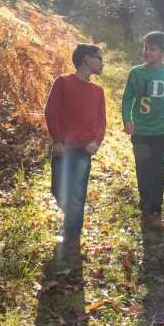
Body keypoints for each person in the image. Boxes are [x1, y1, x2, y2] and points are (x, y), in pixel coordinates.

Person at [122, 31, 164, 230]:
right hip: (140, 130)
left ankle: (155, 210)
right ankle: (143, 195)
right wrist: (127, 119)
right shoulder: (136, 72)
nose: (147, 52)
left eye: (152, 49)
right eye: (146, 48)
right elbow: (127, 98)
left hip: (162, 130)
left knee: (157, 170)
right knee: (142, 166)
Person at [44, 43, 106, 246]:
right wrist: (57, 141)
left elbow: (101, 120)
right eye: (100, 58)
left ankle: (72, 234)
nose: (103, 63)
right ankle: (71, 215)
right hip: (63, 148)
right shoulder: (63, 81)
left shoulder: (98, 90)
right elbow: (50, 112)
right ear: (87, 60)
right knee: (58, 190)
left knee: (78, 192)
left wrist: (96, 141)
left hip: (83, 149)